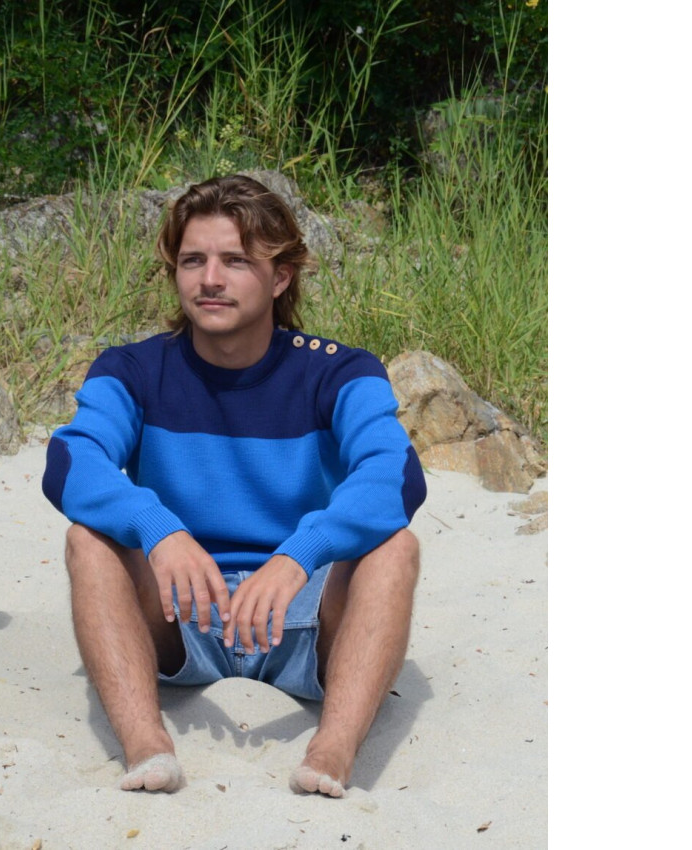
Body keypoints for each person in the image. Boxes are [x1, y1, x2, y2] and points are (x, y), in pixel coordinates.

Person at [42, 174, 427, 798]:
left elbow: (395, 475)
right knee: (87, 539)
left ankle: (332, 747)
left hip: (304, 614)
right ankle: (146, 744)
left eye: (236, 261)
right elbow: (70, 459)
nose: (210, 279)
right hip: (182, 612)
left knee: (397, 547)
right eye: (193, 260)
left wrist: (300, 554)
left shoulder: (340, 372)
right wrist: (159, 529)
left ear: (280, 277)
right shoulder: (133, 369)